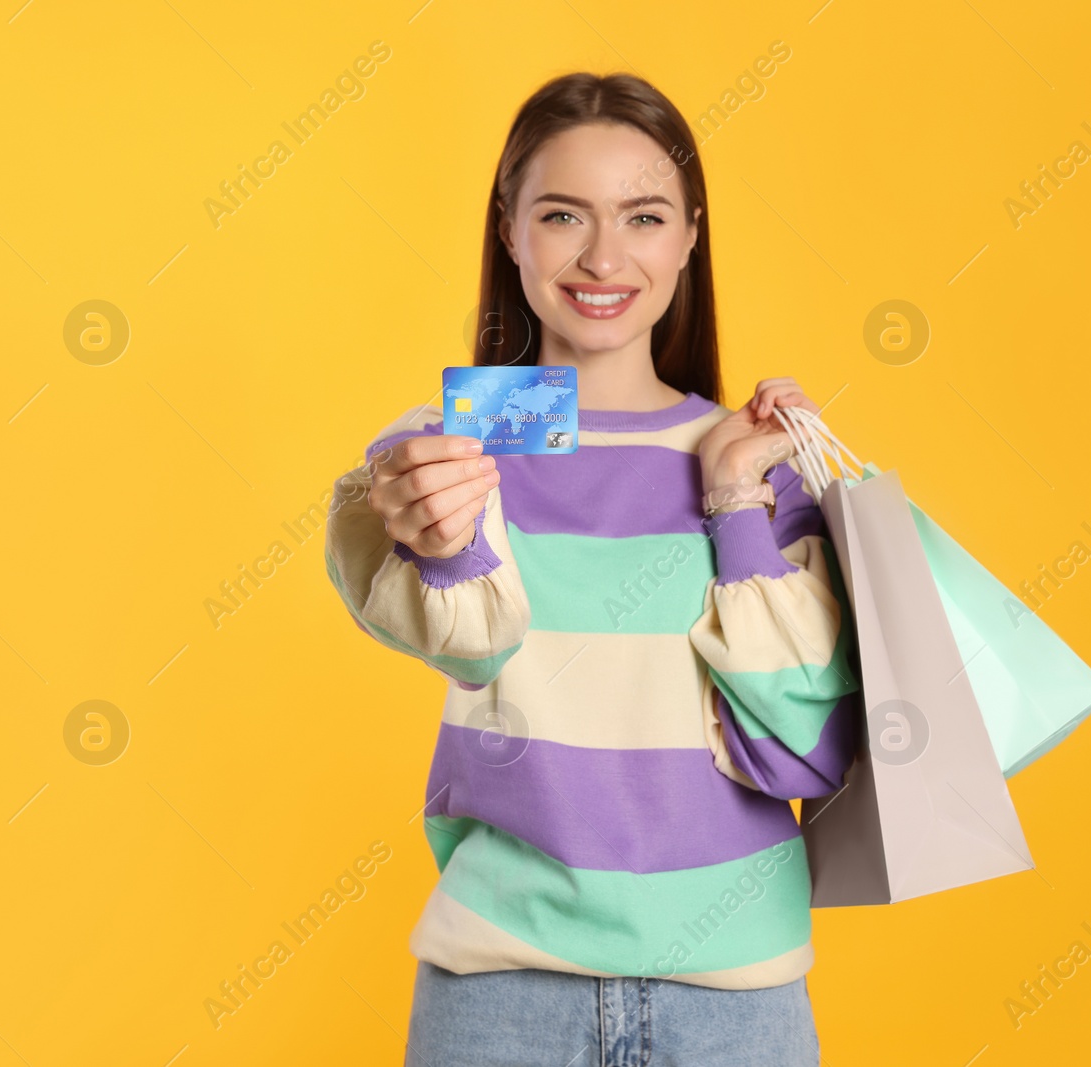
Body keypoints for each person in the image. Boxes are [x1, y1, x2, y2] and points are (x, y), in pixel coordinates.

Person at [323, 70, 860, 1066]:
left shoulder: (751, 456)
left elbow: (802, 752)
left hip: (733, 1003)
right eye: (564, 214)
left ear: (690, 234)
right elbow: (472, 641)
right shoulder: (445, 448)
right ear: (509, 226)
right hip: (500, 995)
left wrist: (734, 500)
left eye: (644, 216)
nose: (604, 256)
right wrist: (428, 531)